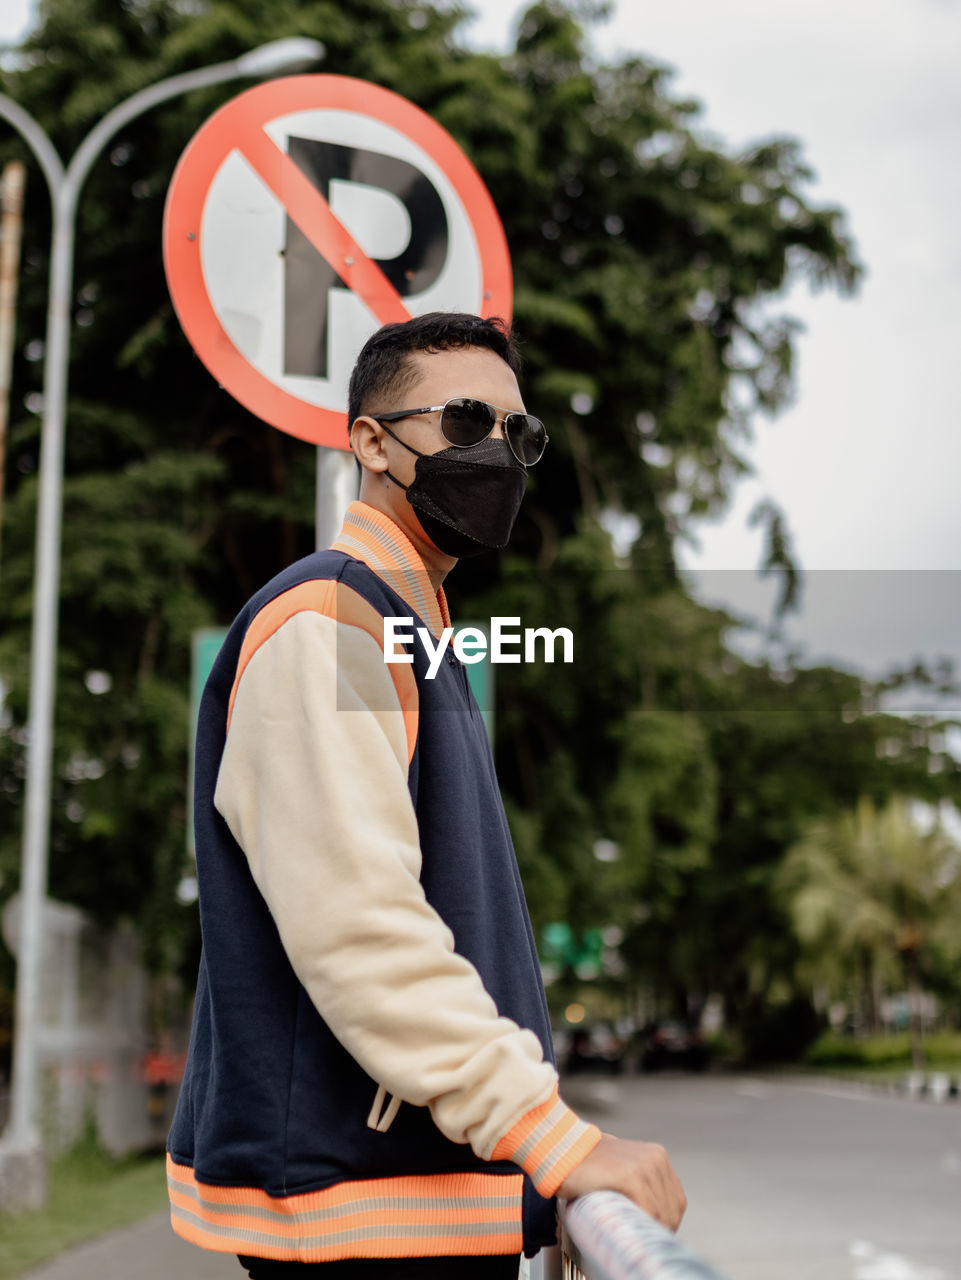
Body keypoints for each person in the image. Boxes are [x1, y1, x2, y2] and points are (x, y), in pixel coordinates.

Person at [167, 312, 685, 1278]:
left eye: (515, 434)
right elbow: (359, 928)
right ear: (369, 440)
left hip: (419, 1196)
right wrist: (559, 1143)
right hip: (363, 1204)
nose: (495, 451)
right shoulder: (329, 619)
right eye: (461, 422)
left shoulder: (412, 634)